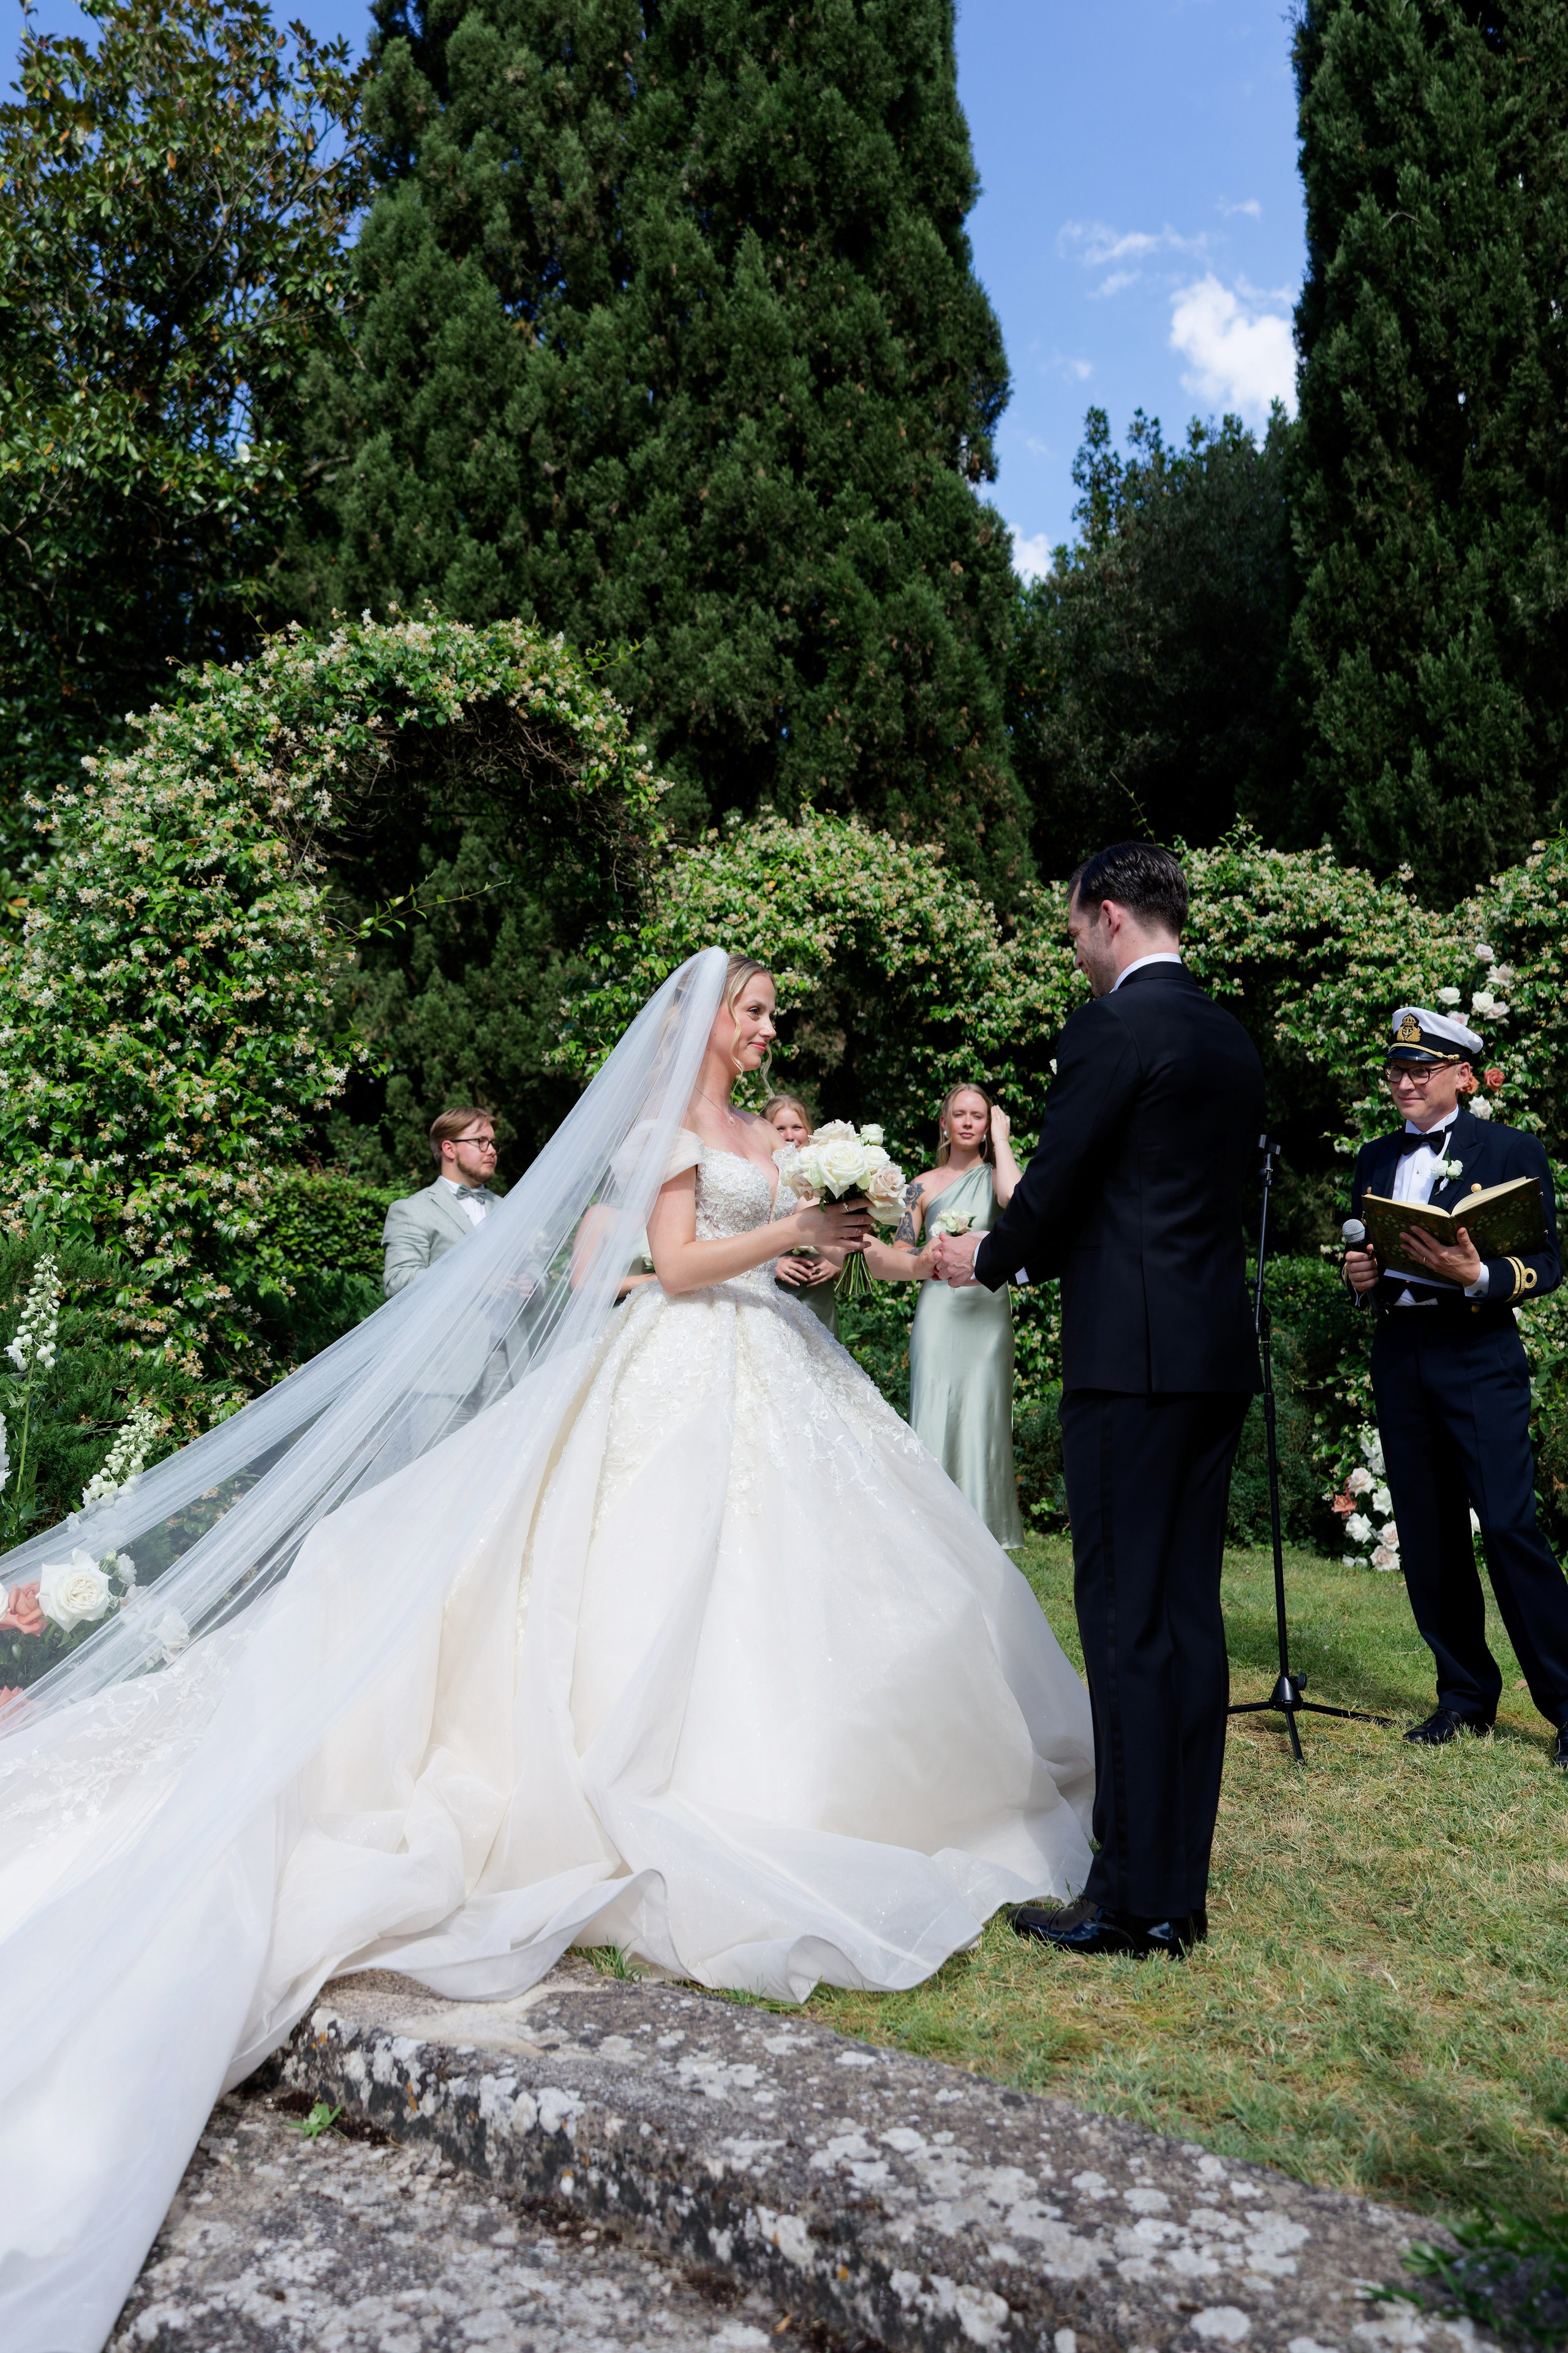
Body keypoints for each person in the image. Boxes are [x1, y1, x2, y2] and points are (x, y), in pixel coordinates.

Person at [0, 947, 1095, 2352]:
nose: (765, 1032)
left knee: (823, 1580)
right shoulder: (665, 1134)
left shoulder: (766, 1135)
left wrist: (825, 1230)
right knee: (653, 1586)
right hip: (690, 1365)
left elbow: (789, 1252)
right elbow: (686, 1263)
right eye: (753, 1012)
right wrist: (788, 1229)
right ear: (706, 1022)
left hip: (778, 1366)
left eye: (768, 1017)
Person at [932, 841, 1265, 1961]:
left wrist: (983, 1256)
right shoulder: (1227, 1034)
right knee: (1189, 1623)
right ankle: (1179, 1888)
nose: (1073, 945)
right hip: (1216, 1359)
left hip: (1128, 1366)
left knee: (1126, 1627)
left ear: (1109, 915)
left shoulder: (1111, 1028)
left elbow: (1061, 1184)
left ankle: (1128, 1898)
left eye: (1075, 925)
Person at [1343, 1007, 1568, 1765]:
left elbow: (1549, 1265)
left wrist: (1478, 1275)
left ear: (1461, 1076)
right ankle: (1464, 1696)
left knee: (1507, 1529)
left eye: (1421, 1070)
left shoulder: (1508, 1148)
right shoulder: (1374, 1156)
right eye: (1397, 1071)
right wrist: (1359, 1279)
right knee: (1430, 1537)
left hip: (1477, 1354)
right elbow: (1364, 1253)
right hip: (1400, 1356)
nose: (1404, 1082)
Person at [865, 1084, 1024, 1548]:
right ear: (945, 1122)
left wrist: (1004, 1139)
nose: (970, 1121)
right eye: (961, 1113)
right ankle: (928, 1526)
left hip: (987, 1311)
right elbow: (898, 1250)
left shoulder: (998, 1175)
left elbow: (1016, 1201)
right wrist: (930, 1251)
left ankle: (986, 1525)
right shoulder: (920, 1184)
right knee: (935, 1405)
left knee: (984, 1409)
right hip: (938, 1310)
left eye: (980, 1115)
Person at [382, 1107, 502, 1296]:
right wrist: (469, 1279)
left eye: (494, 1143)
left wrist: (532, 1281)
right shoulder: (412, 1210)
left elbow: (534, 1267)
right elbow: (398, 1281)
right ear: (449, 1149)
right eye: (481, 1142)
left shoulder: (507, 1206)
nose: (492, 1151)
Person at [763, 1093, 843, 1333]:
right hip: (774, 1289)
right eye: (780, 1128)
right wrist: (771, 1265)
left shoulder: (832, 1179)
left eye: (797, 1127)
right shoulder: (760, 1179)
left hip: (819, 1291)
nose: (789, 1136)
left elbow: (850, 1230)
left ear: (808, 1130)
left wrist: (838, 1263)